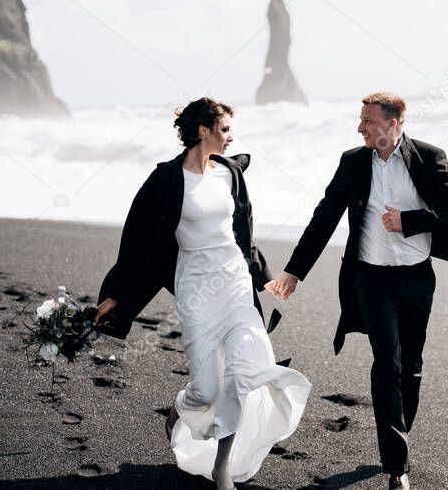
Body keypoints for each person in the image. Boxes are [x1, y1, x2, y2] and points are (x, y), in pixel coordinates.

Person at [267, 91, 448, 490]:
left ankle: (400, 427)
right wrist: (294, 271)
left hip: (416, 277)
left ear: (393, 124)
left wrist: (410, 221)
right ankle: (396, 465)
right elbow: (325, 216)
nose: (360, 126)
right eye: (361, 119)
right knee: (387, 362)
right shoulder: (353, 162)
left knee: (411, 364)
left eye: (367, 120)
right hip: (370, 278)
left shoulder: (429, 158)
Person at [94, 97, 310, 489]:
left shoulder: (231, 174)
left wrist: (265, 278)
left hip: (235, 285)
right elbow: (138, 244)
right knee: (207, 388)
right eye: (224, 129)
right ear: (202, 131)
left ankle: (221, 466)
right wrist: (115, 296)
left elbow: (242, 236)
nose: (231, 138)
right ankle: (181, 409)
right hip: (196, 289)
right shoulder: (164, 180)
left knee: (242, 373)